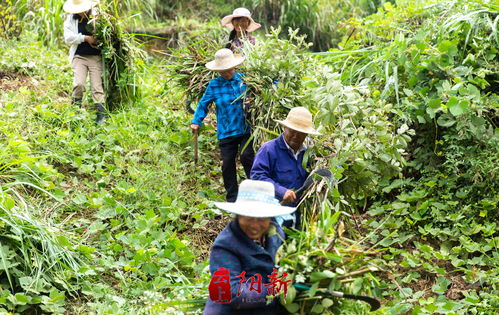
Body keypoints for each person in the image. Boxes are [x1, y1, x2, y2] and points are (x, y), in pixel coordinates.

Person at [203, 179, 296, 315]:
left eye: (261, 219)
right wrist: (275, 290)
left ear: (270, 217)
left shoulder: (276, 233)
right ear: (239, 215)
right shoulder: (225, 246)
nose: (255, 225)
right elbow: (230, 293)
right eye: (249, 218)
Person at [190, 49, 255, 202]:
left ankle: (255, 191)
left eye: (229, 70)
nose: (227, 73)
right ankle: (233, 197)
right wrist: (196, 121)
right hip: (226, 132)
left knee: (247, 157)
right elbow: (203, 104)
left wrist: (276, 81)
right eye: (223, 71)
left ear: (234, 66)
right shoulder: (214, 85)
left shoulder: (244, 80)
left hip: (245, 128)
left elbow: (264, 86)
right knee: (227, 164)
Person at [250, 107, 321, 228]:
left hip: (299, 213)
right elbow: (257, 177)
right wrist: (281, 191)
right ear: (284, 128)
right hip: (273, 212)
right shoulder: (269, 149)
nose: (295, 136)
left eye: (301, 133)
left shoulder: (310, 154)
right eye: (292, 131)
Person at [63, 0, 106, 124]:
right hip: (79, 56)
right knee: (79, 84)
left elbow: (107, 33)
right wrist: (85, 38)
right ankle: (75, 112)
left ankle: (101, 117)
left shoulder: (97, 15)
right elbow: (68, 38)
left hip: (95, 57)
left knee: (97, 87)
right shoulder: (71, 19)